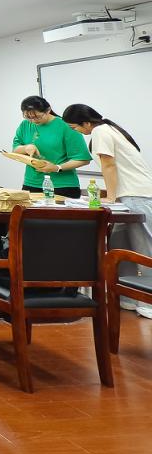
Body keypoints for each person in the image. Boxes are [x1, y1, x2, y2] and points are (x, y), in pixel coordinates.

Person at [63, 103, 152, 319]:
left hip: (136, 195)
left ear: (86, 123)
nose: (78, 132)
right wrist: (113, 196)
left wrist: (110, 197)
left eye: (76, 128)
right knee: (120, 248)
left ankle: (149, 302)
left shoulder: (101, 131)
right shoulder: (109, 129)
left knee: (143, 248)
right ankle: (128, 297)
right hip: (127, 196)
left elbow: (109, 164)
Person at [12, 96, 91, 198]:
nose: (33, 121)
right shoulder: (25, 125)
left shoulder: (66, 126)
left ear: (48, 110)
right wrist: (25, 148)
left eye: (37, 117)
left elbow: (83, 159)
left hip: (62, 186)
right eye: (28, 117)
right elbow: (15, 150)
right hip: (32, 183)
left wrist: (56, 168)